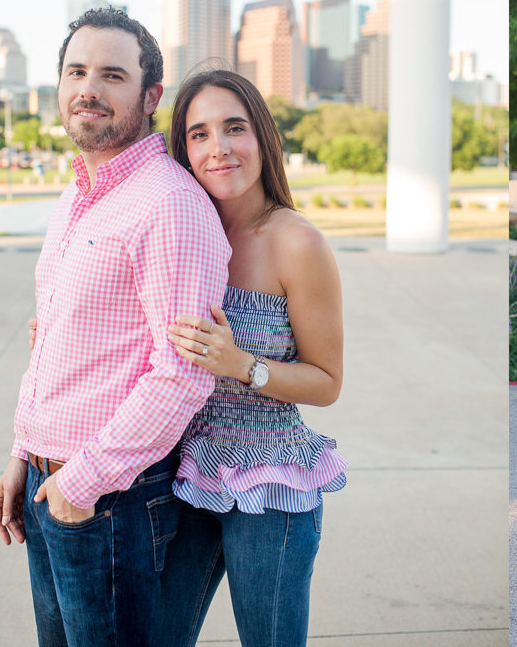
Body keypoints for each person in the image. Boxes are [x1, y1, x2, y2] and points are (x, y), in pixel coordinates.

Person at [0, 8, 231, 645]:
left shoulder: (171, 204)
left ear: (151, 96)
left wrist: (82, 482)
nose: (87, 88)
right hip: (52, 483)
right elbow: (50, 341)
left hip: (110, 496)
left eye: (112, 75)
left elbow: (182, 375)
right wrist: (24, 452)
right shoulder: (77, 196)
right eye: (76, 71)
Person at [156, 68, 346, 647]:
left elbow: (327, 381)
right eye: (199, 134)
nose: (219, 149)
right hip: (186, 473)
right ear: (183, 150)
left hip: (270, 480)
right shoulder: (183, 230)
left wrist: (243, 364)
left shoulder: (298, 242)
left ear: (262, 137)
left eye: (234, 128)